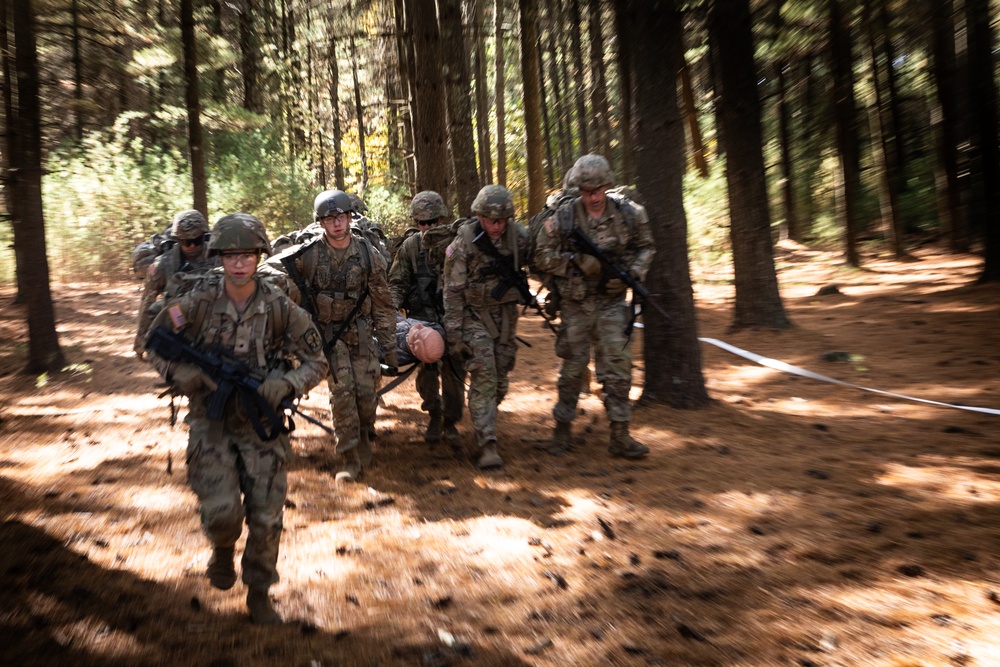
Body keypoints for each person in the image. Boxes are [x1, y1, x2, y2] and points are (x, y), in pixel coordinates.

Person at [144, 213, 328, 625]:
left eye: (247, 255)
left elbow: (318, 360)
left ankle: (260, 593)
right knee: (224, 512)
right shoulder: (197, 302)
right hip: (211, 422)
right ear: (220, 257)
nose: (240, 263)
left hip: (260, 425)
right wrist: (181, 373)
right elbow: (153, 342)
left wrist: (289, 384)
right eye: (231, 256)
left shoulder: (280, 306)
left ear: (259, 256)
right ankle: (223, 548)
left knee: (266, 517)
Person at [533, 154, 656, 459]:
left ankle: (620, 434)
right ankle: (561, 431)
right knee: (572, 371)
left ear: (607, 185)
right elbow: (541, 255)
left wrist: (631, 276)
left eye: (598, 189)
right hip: (576, 305)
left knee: (618, 368)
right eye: (587, 191)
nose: (594, 197)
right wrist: (575, 261)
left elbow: (646, 248)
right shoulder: (563, 217)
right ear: (579, 189)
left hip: (613, 304)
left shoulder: (630, 214)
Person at [280, 189, 397, 482]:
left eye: (341, 217)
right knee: (342, 393)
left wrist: (389, 346)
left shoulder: (369, 254)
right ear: (320, 222)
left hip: (360, 332)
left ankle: (364, 436)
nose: (337, 224)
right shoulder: (306, 257)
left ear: (349, 218)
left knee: (367, 394)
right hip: (328, 338)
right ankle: (348, 455)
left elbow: (382, 303)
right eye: (330, 219)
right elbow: (285, 291)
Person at [442, 185, 529, 469]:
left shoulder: (519, 237)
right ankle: (487, 443)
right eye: (491, 220)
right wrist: (455, 335)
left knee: (500, 380)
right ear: (479, 216)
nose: (497, 226)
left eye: (502, 220)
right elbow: (453, 291)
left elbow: (541, 261)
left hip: (506, 318)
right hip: (473, 317)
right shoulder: (464, 242)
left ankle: (483, 420)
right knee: (485, 375)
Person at [388, 191, 465, 445]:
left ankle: (451, 421)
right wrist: (392, 310)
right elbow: (398, 282)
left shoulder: (457, 244)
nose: (428, 227)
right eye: (422, 223)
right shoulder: (410, 247)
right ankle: (434, 413)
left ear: (443, 219)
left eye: (433, 222)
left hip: (452, 320)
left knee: (454, 373)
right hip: (423, 321)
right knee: (427, 374)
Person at [134, 210, 218, 359]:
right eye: (186, 242)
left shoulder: (217, 258)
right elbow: (148, 301)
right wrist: (141, 342)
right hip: (178, 324)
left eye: (197, 240)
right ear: (178, 240)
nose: (192, 245)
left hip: (215, 324)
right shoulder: (163, 265)